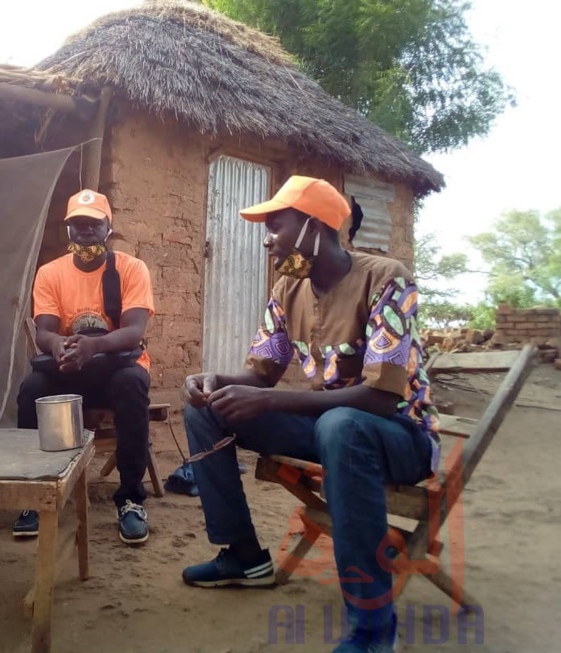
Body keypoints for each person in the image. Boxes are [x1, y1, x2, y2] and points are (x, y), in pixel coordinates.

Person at [180, 176, 439, 653]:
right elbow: (261, 375)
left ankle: (372, 629)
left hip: (400, 436)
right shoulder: (287, 290)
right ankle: (242, 555)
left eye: (276, 225)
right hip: (330, 430)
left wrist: (272, 401)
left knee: (341, 426)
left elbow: (380, 397)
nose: (267, 239)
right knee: (208, 409)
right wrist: (212, 381)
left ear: (314, 228)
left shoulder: (387, 278)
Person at [13, 189, 155, 544]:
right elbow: (44, 331)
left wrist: (95, 346)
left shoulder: (130, 269)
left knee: (132, 383)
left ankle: (131, 498)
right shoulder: (50, 273)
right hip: (71, 366)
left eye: (94, 224)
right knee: (31, 389)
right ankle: (34, 494)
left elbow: (135, 331)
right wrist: (60, 345)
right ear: (68, 231)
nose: (85, 231)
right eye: (77, 224)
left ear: (109, 227)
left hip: (116, 366)